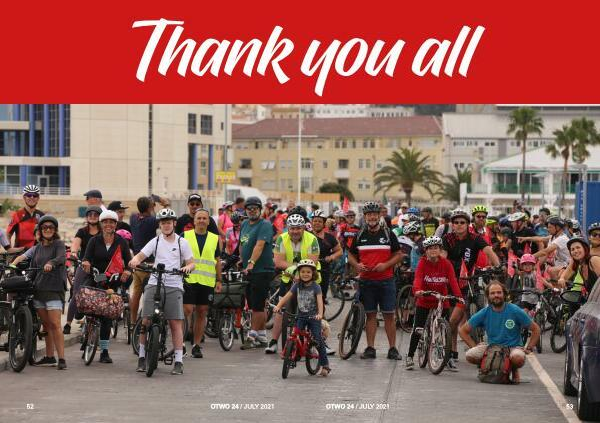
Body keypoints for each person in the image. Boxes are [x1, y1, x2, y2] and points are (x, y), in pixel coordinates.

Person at [129, 208, 195, 375]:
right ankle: (142, 357)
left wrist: (187, 268)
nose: (166, 225)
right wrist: (134, 260)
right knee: (146, 320)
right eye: (163, 223)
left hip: (174, 284)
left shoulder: (182, 242)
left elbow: (191, 263)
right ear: (160, 225)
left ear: (174, 223)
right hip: (154, 282)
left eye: (169, 222)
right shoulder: (156, 241)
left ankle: (178, 361)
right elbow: (140, 256)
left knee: (175, 323)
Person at [348, 201, 403, 360]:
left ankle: (392, 349)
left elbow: (399, 255)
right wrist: (357, 265)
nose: (372, 217)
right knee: (370, 315)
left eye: (374, 214)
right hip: (366, 282)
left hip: (386, 281)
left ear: (379, 216)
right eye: (369, 214)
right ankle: (370, 348)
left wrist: (385, 265)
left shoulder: (388, 234)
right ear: (365, 217)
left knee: (389, 316)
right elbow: (350, 255)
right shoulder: (359, 235)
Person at [11, 215, 67, 369]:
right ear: (40, 230)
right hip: (39, 291)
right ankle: (49, 357)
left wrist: (51, 263)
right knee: (46, 325)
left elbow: (62, 258)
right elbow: (30, 265)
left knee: (55, 324)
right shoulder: (37, 248)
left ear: (55, 230)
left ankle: (62, 359)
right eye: (44, 227)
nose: (47, 229)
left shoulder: (59, 244)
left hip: (54, 289)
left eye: (51, 227)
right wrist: (16, 272)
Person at [459, 281, 541, 384]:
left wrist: (529, 348)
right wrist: (474, 346)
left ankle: (514, 369)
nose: (496, 295)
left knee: (517, 358)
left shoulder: (515, 310)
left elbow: (536, 329)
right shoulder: (485, 312)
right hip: (492, 347)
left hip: (513, 348)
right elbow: (463, 331)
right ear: (488, 296)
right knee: (470, 355)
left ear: (504, 294)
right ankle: (487, 366)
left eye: (499, 292)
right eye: (492, 293)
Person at [405, 236, 465, 370]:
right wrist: (417, 290)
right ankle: (410, 356)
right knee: (418, 329)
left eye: (436, 248)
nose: (433, 250)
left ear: (440, 250)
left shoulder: (446, 264)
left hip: (441, 300)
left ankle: (447, 358)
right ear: (425, 251)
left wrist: (459, 297)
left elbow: (453, 281)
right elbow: (418, 278)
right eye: (430, 248)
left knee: (445, 330)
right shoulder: (422, 263)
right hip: (425, 299)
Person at [82, 210, 132, 364]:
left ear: (116, 224)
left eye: (111, 222)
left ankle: (104, 351)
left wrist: (127, 271)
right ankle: (87, 334)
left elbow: (129, 262)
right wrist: (86, 263)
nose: (108, 225)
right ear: (101, 224)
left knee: (107, 317)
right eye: (105, 222)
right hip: (96, 277)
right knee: (86, 305)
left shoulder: (121, 242)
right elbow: (86, 257)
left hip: (112, 281)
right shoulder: (94, 240)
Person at [267, 213, 320, 354]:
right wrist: (295, 271)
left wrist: (301, 273)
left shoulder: (312, 239)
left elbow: (313, 262)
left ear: (303, 228)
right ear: (288, 228)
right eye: (292, 228)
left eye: (298, 228)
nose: (295, 231)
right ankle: (273, 341)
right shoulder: (281, 239)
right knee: (281, 309)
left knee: (315, 311)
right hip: (289, 277)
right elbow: (278, 262)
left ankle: (318, 341)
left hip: (309, 277)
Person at [273, 259, 331, 377]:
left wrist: (320, 314)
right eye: (303, 272)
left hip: (314, 317)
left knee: (317, 340)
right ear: (299, 273)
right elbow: (287, 296)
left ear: (313, 273)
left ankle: (325, 365)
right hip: (301, 316)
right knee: (295, 334)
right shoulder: (297, 285)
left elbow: (320, 302)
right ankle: (294, 352)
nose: (305, 274)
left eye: (308, 272)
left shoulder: (316, 287)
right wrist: (278, 306)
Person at [183, 209, 222, 358]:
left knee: (201, 312)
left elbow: (217, 260)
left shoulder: (214, 238)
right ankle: (180, 344)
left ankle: (196, 345)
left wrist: (219, 280)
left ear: (208, 221)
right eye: (198, 218)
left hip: (206, 281)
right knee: (186, 310)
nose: (201, 221)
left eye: (204, 218)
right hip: (188, 279)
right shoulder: (185, 236)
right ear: (194, 221)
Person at [238, 196, 275, 350]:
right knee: (253, 303)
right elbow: (242, 243)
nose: (252, 211)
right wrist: (242, 260)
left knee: (258, 306)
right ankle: (262, 335)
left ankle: (251, 336)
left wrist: (251, 263)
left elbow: (259, 246)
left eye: (255, 208)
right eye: (249, 208)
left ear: (260, 210)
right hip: (249, 270)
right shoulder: (244, 224)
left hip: (262, 270)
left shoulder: (265, 225)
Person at [63, 206, 102, 334]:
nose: (92, 216)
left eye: (95, 214)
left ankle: (100, 320)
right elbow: (75, 245)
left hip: (100, 269)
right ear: (86, 217)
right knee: (77, 292)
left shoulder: (103, 233)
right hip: (83, 266)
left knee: (101, 291)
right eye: (90, 214)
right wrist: (74, 253)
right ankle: (68, 324)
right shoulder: (82, 232)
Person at [441, 209, 500, 285]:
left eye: (462, 222)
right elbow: (443, 256)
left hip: (470, 277)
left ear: (467, 224)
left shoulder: (475, 238)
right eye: (456, 222)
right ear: (453, 225)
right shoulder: (447, 238)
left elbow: (489, 251)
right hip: (450, 276)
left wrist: (498, 266)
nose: (459, 224)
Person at [129, 196, 159, 325]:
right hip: (149, 264)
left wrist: (150, 206)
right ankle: (146, 323)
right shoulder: (151, 221)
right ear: (149, 208)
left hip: (137, 263)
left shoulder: (133, 218)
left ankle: (132, 321)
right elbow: (161, 219)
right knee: (150, 295)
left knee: (136, 293)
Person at [7, 185, 45, 249]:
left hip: (37, 252)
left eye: (35, 195)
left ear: (38, 198)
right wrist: (9, 250)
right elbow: (8, 234)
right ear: (24, 197)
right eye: (29, 195)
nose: (32, 197)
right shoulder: (17, 215)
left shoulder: (42, 216)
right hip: (20, 252)